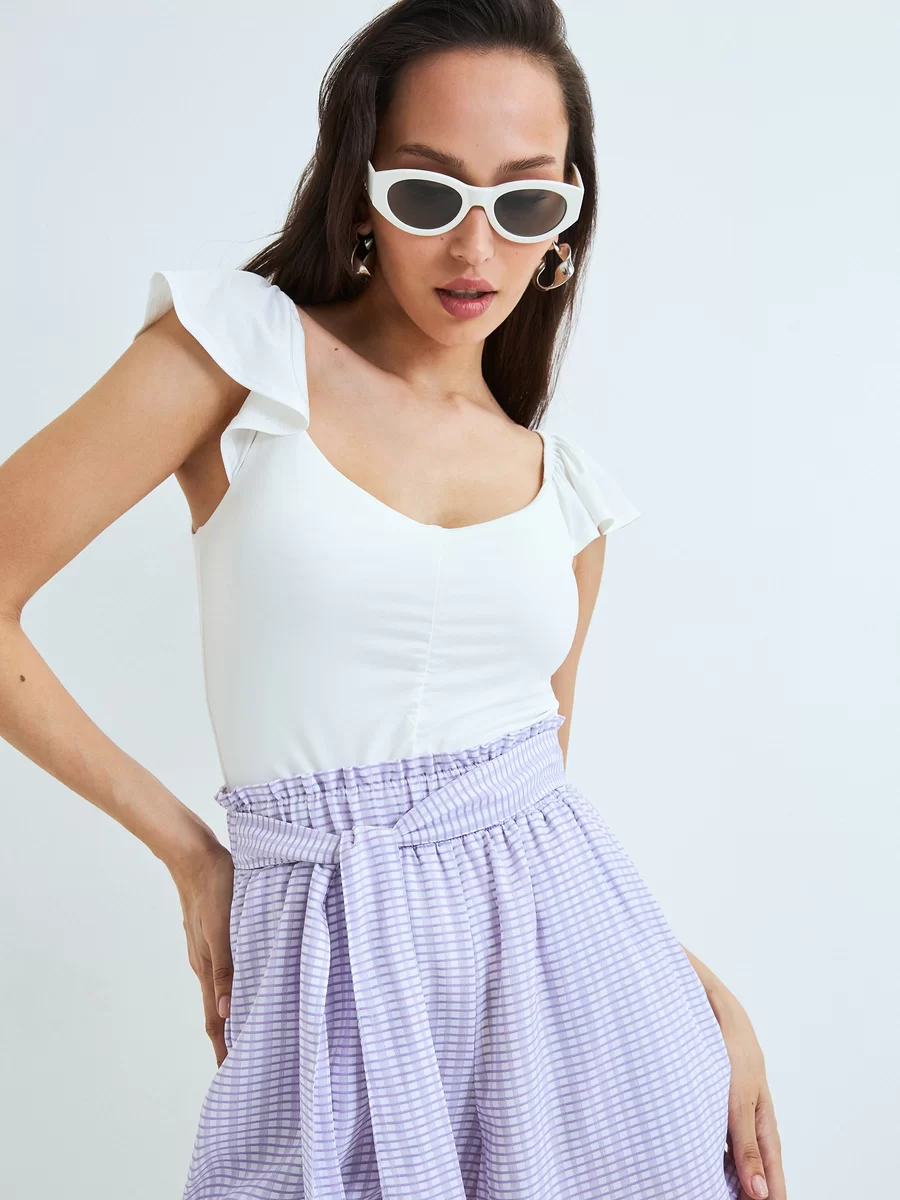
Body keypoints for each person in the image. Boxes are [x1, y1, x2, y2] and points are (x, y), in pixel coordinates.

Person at [0, 1, 786, 1198]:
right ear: (360, 192)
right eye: (428, 192)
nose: (476, 248)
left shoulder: (565, 492)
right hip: (322, 966)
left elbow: (536, 814)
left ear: (566, 223)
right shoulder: (238, 355)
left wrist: (696, 987)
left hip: (593, 1016)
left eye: (525, 203)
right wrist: (194, 858)